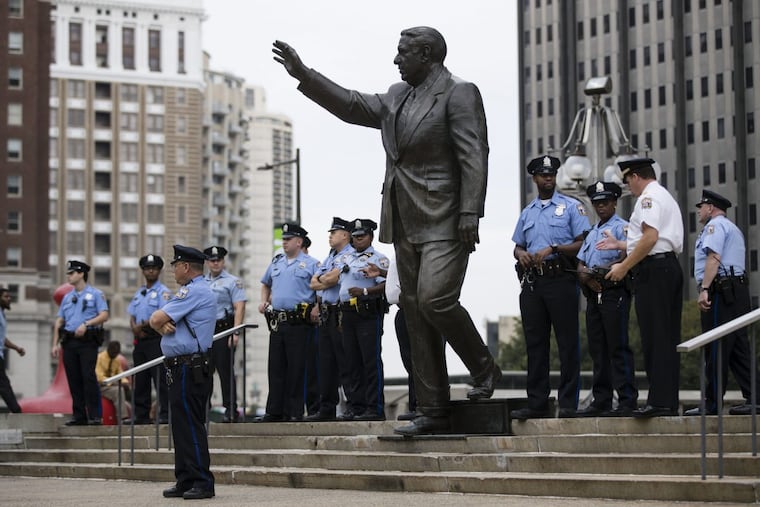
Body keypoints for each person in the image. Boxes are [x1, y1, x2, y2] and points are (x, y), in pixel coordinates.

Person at [274, 26, 501, 436]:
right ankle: (432, 407)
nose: (396, 60)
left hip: (448, 218)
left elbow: (474, 153)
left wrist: (472, 211)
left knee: (435, 300)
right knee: (415, 313)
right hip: (405, 219)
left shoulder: (459, 92)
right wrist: (304, 74)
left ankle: (483, 365)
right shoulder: (397, 96)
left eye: (403, 53)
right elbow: (351, 105)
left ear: (427, 54)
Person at [510, 156, 590, 420]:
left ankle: (568, 403)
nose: (548, 178)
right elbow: (518, 245)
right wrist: (520, 253)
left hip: (560, 280)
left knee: (567, 343)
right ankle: (537, 403)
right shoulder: (528, 212)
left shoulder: (570, 207)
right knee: (536, 345)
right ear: (534, 178)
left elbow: (582, 243)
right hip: (533, 282)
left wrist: (555, 248)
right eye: (543, 175)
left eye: (552, 174)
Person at [603, 158, 684, 418]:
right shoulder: (664, 195)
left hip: (654, 271)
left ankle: (659, 402)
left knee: (656, 338)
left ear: (636, 176)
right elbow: (650, 239)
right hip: (666, 267)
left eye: (628, 181)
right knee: (666, 337)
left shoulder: (648, 198)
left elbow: (650, 237)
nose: (629, 186)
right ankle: (666, 400)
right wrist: (621, 245)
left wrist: (624, 266)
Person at [150, 245, 216, 500]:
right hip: (180, 367)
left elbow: (155, 318)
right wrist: (159, 322)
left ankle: (202, 480)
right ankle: (186, 478)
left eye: (176, 265)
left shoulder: (194, 291)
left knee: (190, 425)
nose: (174, 269)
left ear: (186, 267)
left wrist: (160, 321)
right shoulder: (189, 292)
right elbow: (156, 321)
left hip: (191, 366)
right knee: (180, 426)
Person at [687, 189, 760, 416]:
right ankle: (756, 397)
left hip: (721, 291)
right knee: (737, 347)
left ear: (710, 207)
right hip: (735, 291)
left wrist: (705, 289)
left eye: (701, 206)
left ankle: (712, 403)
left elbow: (714, 257)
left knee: (716, 345)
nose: (698, 210)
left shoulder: (715, 226)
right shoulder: (731, 227)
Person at [575, 181, 638, 417]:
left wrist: (604, 270)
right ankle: (601, 399)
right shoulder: (592, 232)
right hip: (593, 293)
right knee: (597, 349)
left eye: (605, 202)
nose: (601, 207)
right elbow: (581, 262)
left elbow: (628, 256)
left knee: (618, 347)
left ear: (614, 203)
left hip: (613, 291)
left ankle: (627, 400)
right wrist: (585, 276)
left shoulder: (623, 228)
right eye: (597, 203)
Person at [257, 223, 319, 422]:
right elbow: (265, 283)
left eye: (288, 239)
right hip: (278, 321)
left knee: (297, 368)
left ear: (299, 242)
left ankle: (294, 411)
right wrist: (264, 300)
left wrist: (317, 308)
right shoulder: (276, 262)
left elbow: (321, 289)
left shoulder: (312, 264)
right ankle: (275, 410)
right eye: (283, 239)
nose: (284, 242)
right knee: (276, 367)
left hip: (300, 322)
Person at [337, 219, 389, 421]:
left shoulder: (379, 259)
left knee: (370, 362)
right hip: (347, 313)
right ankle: (355, 406)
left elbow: (387, 285)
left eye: (361, 236)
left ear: (371, 237)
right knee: (351, 363)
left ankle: (373, 408)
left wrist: (365, 290)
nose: (357, 240)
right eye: (355, 236)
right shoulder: (347, 258)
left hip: (366, 313)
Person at [306, 217, 356, 422]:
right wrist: (325, 281)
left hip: (340, 313)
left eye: (333, 233)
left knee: (345, 362)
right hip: (325, 314)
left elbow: (333, 278)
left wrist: (324, 281)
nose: (330, 236)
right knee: (325, 364)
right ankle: (326, 408)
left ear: (345, 235)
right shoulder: (330, 257)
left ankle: (352, 405)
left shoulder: (350, 255)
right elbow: (313, 283)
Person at [52, 260, 109, 426]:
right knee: (74, 379)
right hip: (69, 342)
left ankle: (95, 415)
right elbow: (59, 321)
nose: (69, 276)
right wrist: (54, 344)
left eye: (72, 273)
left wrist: (87, 324)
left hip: (87, 342)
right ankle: (79, 416)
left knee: (88, 377)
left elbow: (104, 315)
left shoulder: (96, 294)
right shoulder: (68, 297)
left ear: (81, 274)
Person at [204, 246, 247, 423]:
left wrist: (235, 332)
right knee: (203, 372)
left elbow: (240, 307)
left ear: (223, 261)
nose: (215, 263)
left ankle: (230, 409)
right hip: (205, 332)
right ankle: (204, 409)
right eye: (212, 260)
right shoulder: (200, 282)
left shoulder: (232, 281)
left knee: (225, 372)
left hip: (224, 330)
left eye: (219, 260)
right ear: (207, 262)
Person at [128, 254, 171, 424]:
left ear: (159, 270)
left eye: (153, 268)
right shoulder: (139, 293)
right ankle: (141, 415)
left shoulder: (164, 293)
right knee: (141, 380)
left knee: (160, 378)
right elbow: (132, 314)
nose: (150, 271)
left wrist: (143, 327)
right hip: (140, 341)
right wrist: (134, 327)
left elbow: (163, 315)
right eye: (147, 268)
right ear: (143, 271)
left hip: (156, 340)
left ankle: (165, 413)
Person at [0, 287, 24, 413]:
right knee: (3, 384)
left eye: (9, 296)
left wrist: (16, 348)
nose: (9, 299)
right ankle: (17, 411)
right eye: (6, 296)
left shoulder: (2, 314)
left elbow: (2, 338)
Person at [96, 340, 131, 419]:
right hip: (101, 386)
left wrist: (125, 382)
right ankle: (123, 416)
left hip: (112, 385)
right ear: (109, 350)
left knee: (129, 391)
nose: (115, 355)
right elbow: (99, 377)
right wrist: (114, 383)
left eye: (117, 353)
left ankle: (135, 414)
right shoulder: (99, 358)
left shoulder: (116, 360)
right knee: (118, 391)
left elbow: (120, 374)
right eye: (114, 353)